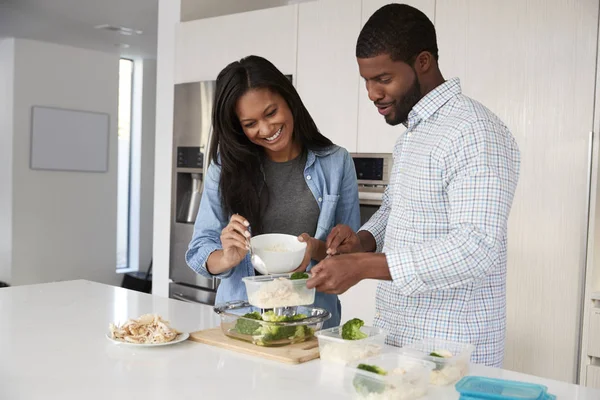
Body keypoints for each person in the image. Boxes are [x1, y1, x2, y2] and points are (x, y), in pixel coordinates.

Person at [306, 4, 520, 366]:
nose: (373, 93)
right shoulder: (412, 137)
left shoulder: (474, 131)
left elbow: (476, 247)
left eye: (384, 79)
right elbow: (396, 210)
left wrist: (362, 265)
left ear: (423, 62)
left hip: (451, 351)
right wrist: (362, 241)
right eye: (367, 81)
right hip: (398, 339)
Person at [186, 55, 360, 329]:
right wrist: (226, 257)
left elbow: (351, 254)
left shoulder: (336, 163)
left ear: (289, 100)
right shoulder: (225, 167)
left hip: (312, 324)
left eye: (271, 113)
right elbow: (199, 250)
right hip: (243, 323)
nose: (266, 129)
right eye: (250, 124)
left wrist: (315, 248)